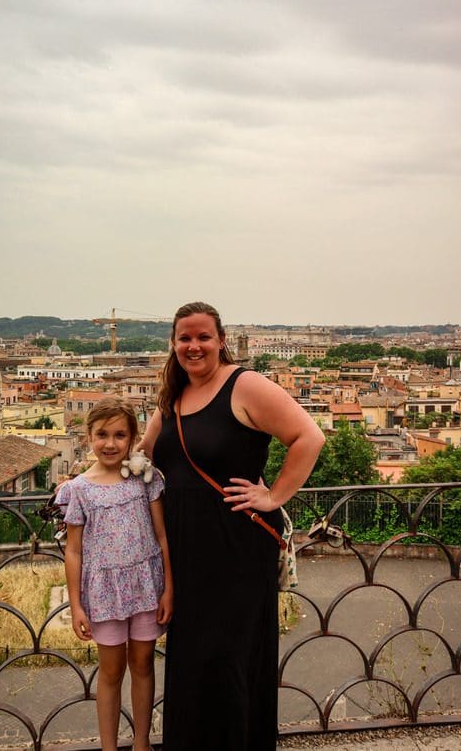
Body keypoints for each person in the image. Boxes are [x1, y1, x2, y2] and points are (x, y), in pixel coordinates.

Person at [139, 301, 324, 751]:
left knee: (228, 663)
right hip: (186, 552)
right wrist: (83, 483)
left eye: (204, 337)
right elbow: (140, 459)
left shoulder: (246, 385)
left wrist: (274, 495)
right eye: (185, 338)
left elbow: (309, 437)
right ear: (174, 344)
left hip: (236, 550)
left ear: (222, 340)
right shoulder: (173, 398)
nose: (194, 345)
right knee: (192, 662)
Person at [57, 397, 173, 751]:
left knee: (142, 664)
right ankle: (109, 747)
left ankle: (141, 743)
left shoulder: (145, 478)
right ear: (88, 436)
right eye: (102, 434)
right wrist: (76, 605)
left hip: (146, 586)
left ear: (133, 437)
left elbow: (162, 534)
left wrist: (169, 587)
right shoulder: (78, 489)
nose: (110, 443)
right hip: (104, 592)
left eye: (120, 435)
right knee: (110, 672)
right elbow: (73, 551)